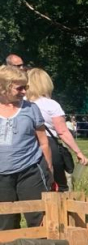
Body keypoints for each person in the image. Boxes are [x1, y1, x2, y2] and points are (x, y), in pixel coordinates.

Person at [0, 66, 53, 230]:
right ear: (3, 88)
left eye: (26, 87)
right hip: (2, 176)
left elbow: (43, 142)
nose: (24, 91)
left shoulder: (31, 109)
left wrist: (49, 169)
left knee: (38, 217)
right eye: (19, 88)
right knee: (5, 221)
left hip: (30, 170)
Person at [26, 68, 88, 192]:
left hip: (28, 147)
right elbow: (62, 132)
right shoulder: (51, 104)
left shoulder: (22, 104)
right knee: (59, 187)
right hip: (50, 146)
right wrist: (78, 152)